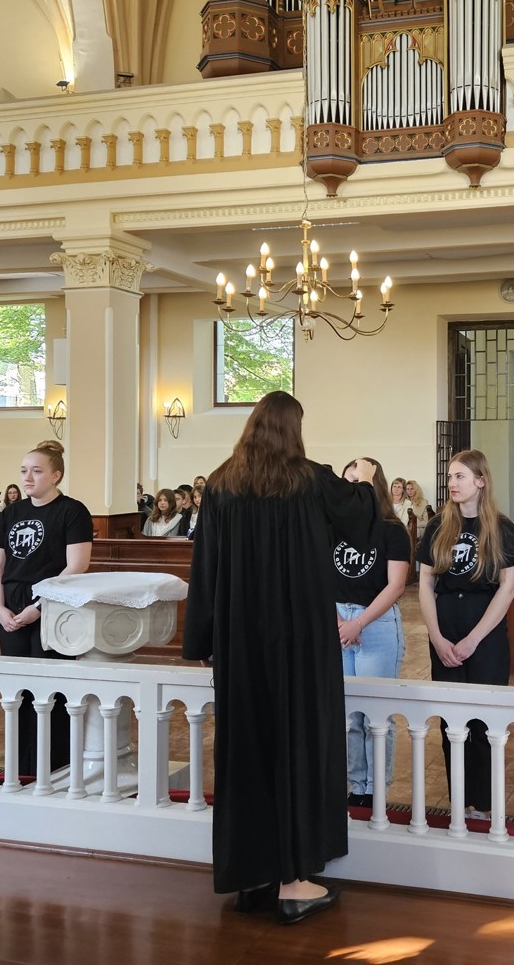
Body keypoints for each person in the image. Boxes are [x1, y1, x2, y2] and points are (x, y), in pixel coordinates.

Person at [181, 392, 377, 924]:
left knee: (248, 751)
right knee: (299, 747)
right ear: (294, 429)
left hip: (241, 644)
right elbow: (363, 517)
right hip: (301, 642)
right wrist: (362, 478)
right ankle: (293, 883)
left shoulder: (220, 484)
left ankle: (252, 877)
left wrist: (203, 641)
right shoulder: (310, 479)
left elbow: (205, 569)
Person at [416, 449, 514, 819]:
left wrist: (475, 638)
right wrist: (436, 636)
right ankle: (459, 801)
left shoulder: (502, 527)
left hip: (485, 632)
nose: (452, 483)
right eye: (450, 477)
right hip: (445, 629)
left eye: (460, 476)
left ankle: (487, 803)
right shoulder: (438, 526)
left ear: (480, 480)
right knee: (452, 722)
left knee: (484, 721)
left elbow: (508, 588)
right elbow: (425, 584)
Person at [0, 440, 93, 779]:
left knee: (50, 688)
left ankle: (55, 766)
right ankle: (23, 766)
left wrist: (40, 606)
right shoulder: (11, 513)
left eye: (36, 471)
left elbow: (76, 566)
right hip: (11, 604)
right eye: (23, 471)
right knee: (19, 689)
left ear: (55, 475)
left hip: (53, 604)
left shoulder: (72, 511)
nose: (27, 478)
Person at [334, 457, 410, 809]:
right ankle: (357, 787)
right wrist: (339, 620)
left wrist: (359, 622)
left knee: (376, 716)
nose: (351, 490)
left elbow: (396, 585)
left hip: (375, 624)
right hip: (337, 620)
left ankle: (376, 788)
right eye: (347, 483)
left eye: (358, 482)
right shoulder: (332, 528)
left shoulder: (392, 530)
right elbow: (318, 577)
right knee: (350, 715)